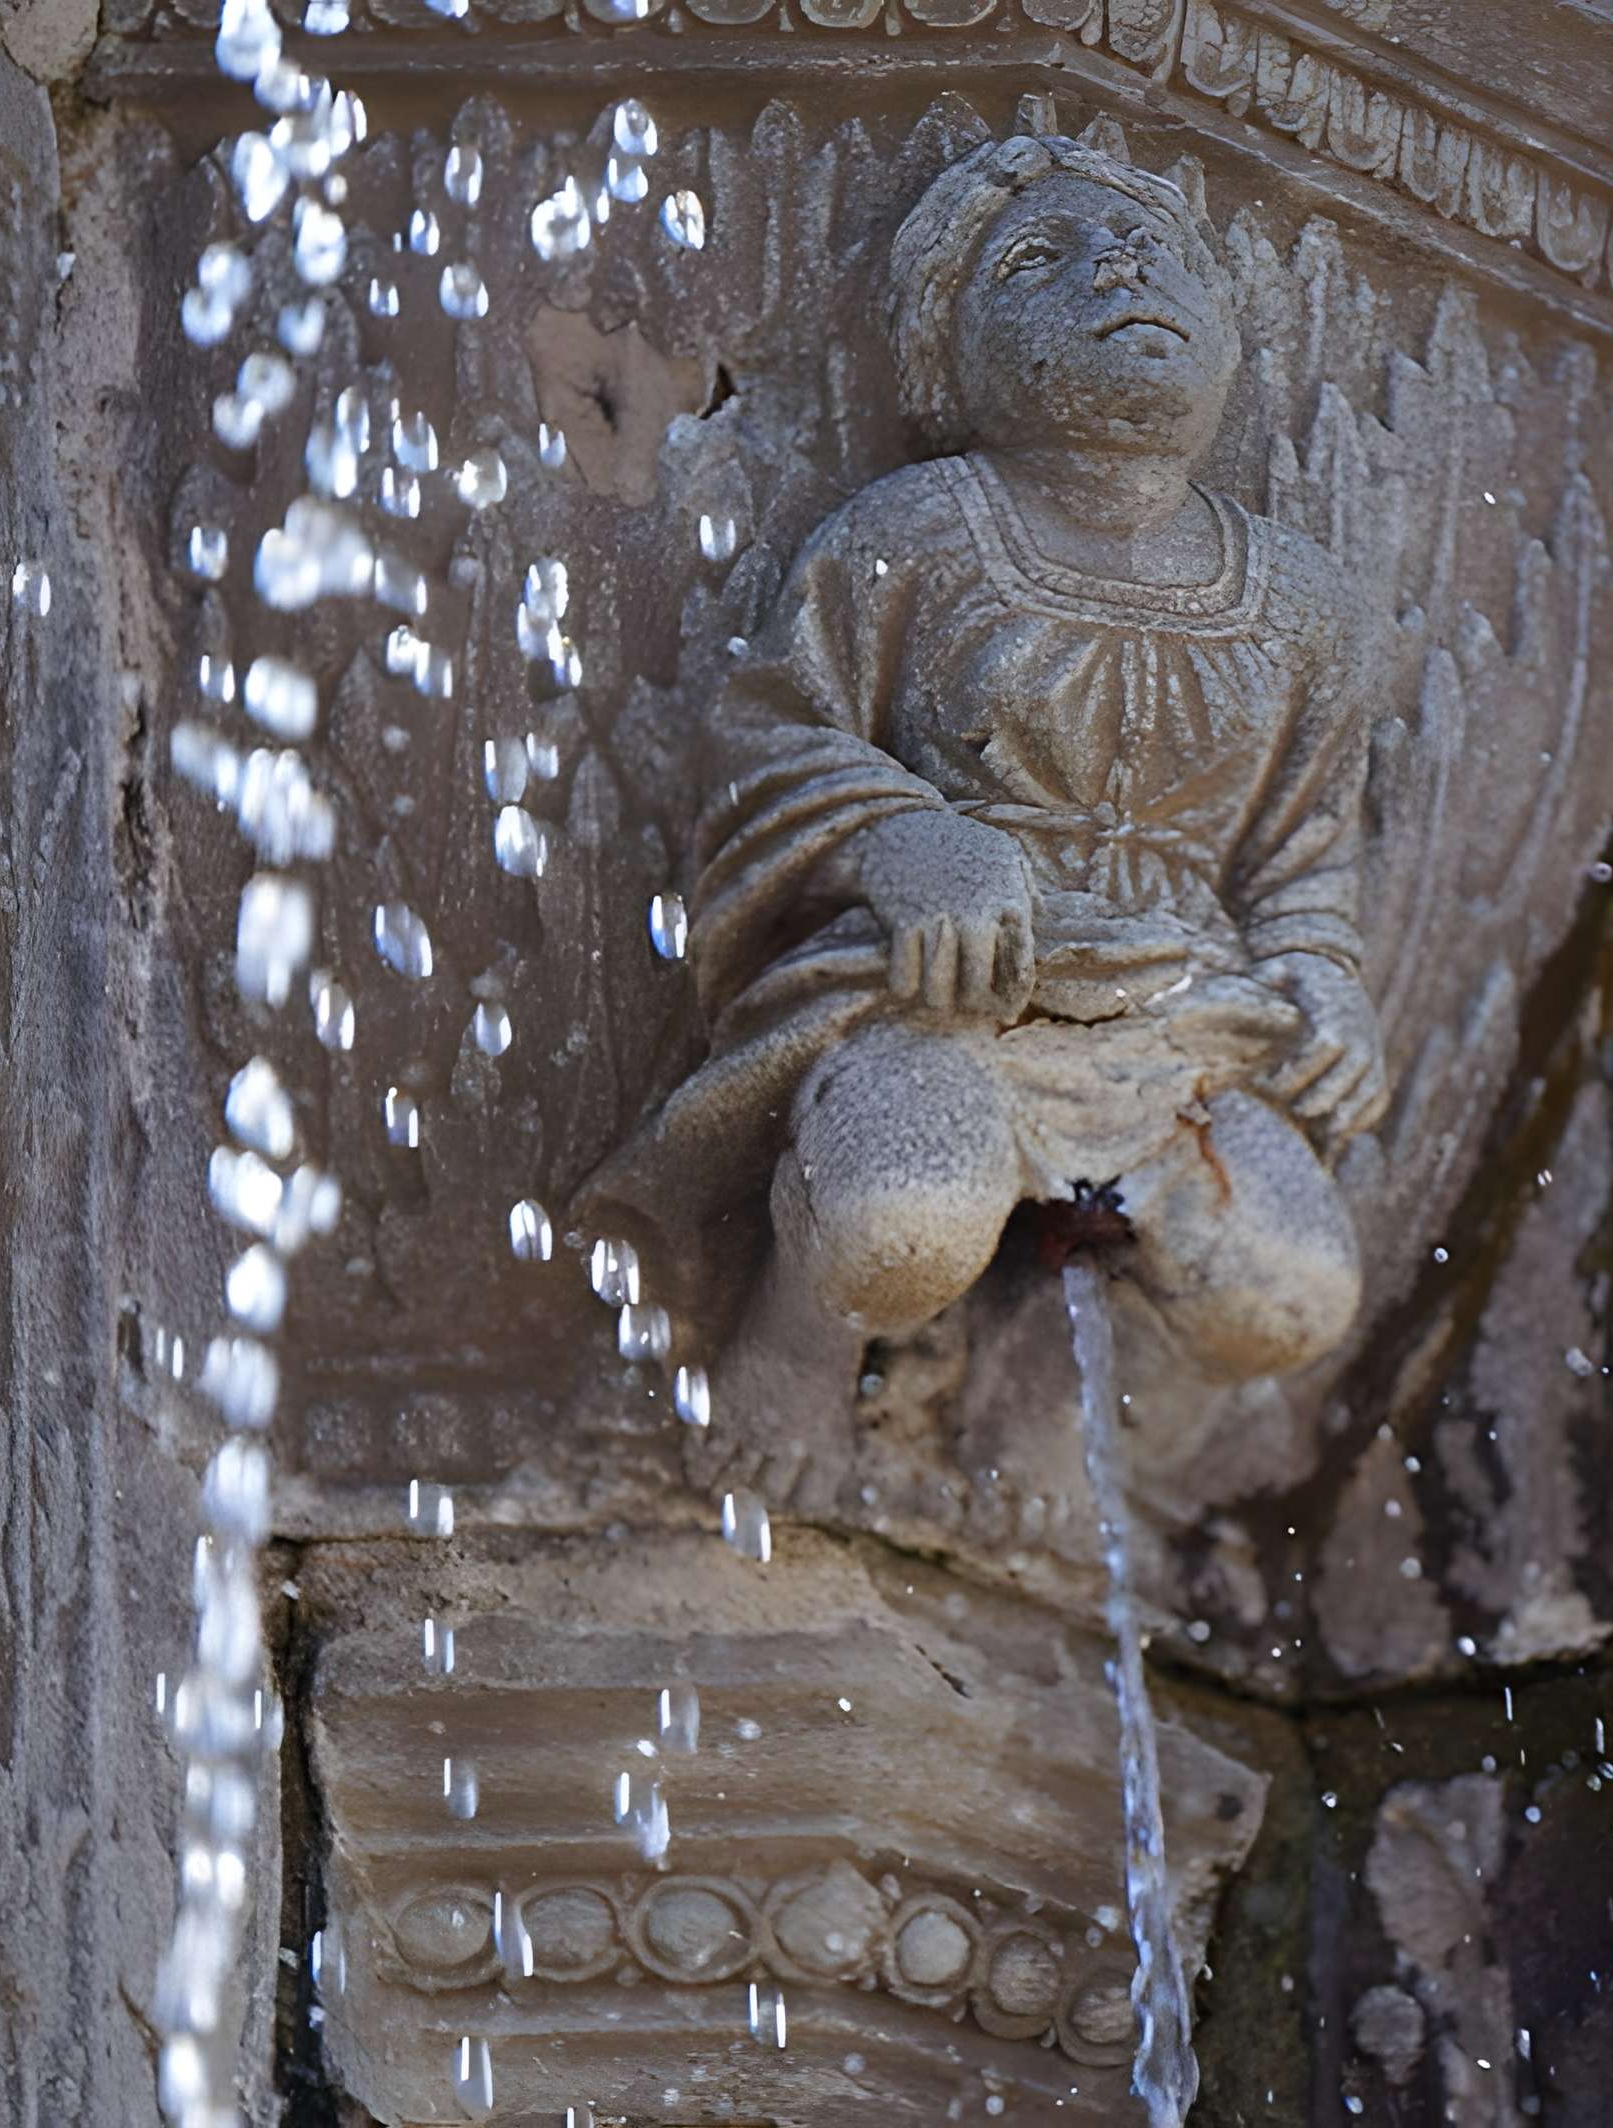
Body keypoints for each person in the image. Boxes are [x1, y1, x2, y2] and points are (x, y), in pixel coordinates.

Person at [575, 133, 1388, 1505]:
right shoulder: (927, 529)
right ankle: (794, 1340)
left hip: (1179, 1029)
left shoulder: (1300, 603)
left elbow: (1304, 858)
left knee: (1294, 1291)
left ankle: (1051, 1362)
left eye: (1156, 254)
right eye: (1037, 259)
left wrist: (1326, 983)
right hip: (939, 1000)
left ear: (1234, 339)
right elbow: (773, 731)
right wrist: (907, 841)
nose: (1115, 269)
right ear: (951, 357)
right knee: (899, 1215)